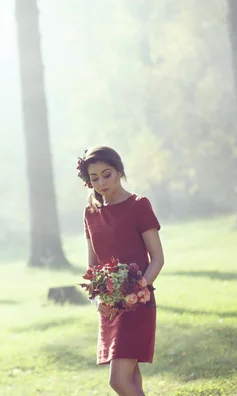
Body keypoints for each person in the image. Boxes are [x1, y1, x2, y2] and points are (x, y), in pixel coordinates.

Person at [78, 146, 164, 396]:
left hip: (138, 303)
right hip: (109, 307)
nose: (101, 183)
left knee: (118, 381)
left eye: (107, 174)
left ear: (119, 171)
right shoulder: (90, 213)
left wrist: (137, 293)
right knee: (132, 382)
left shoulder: (139, 205)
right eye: (94, 178)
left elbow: (157, 258)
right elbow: (92, 267)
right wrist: (96, 299)